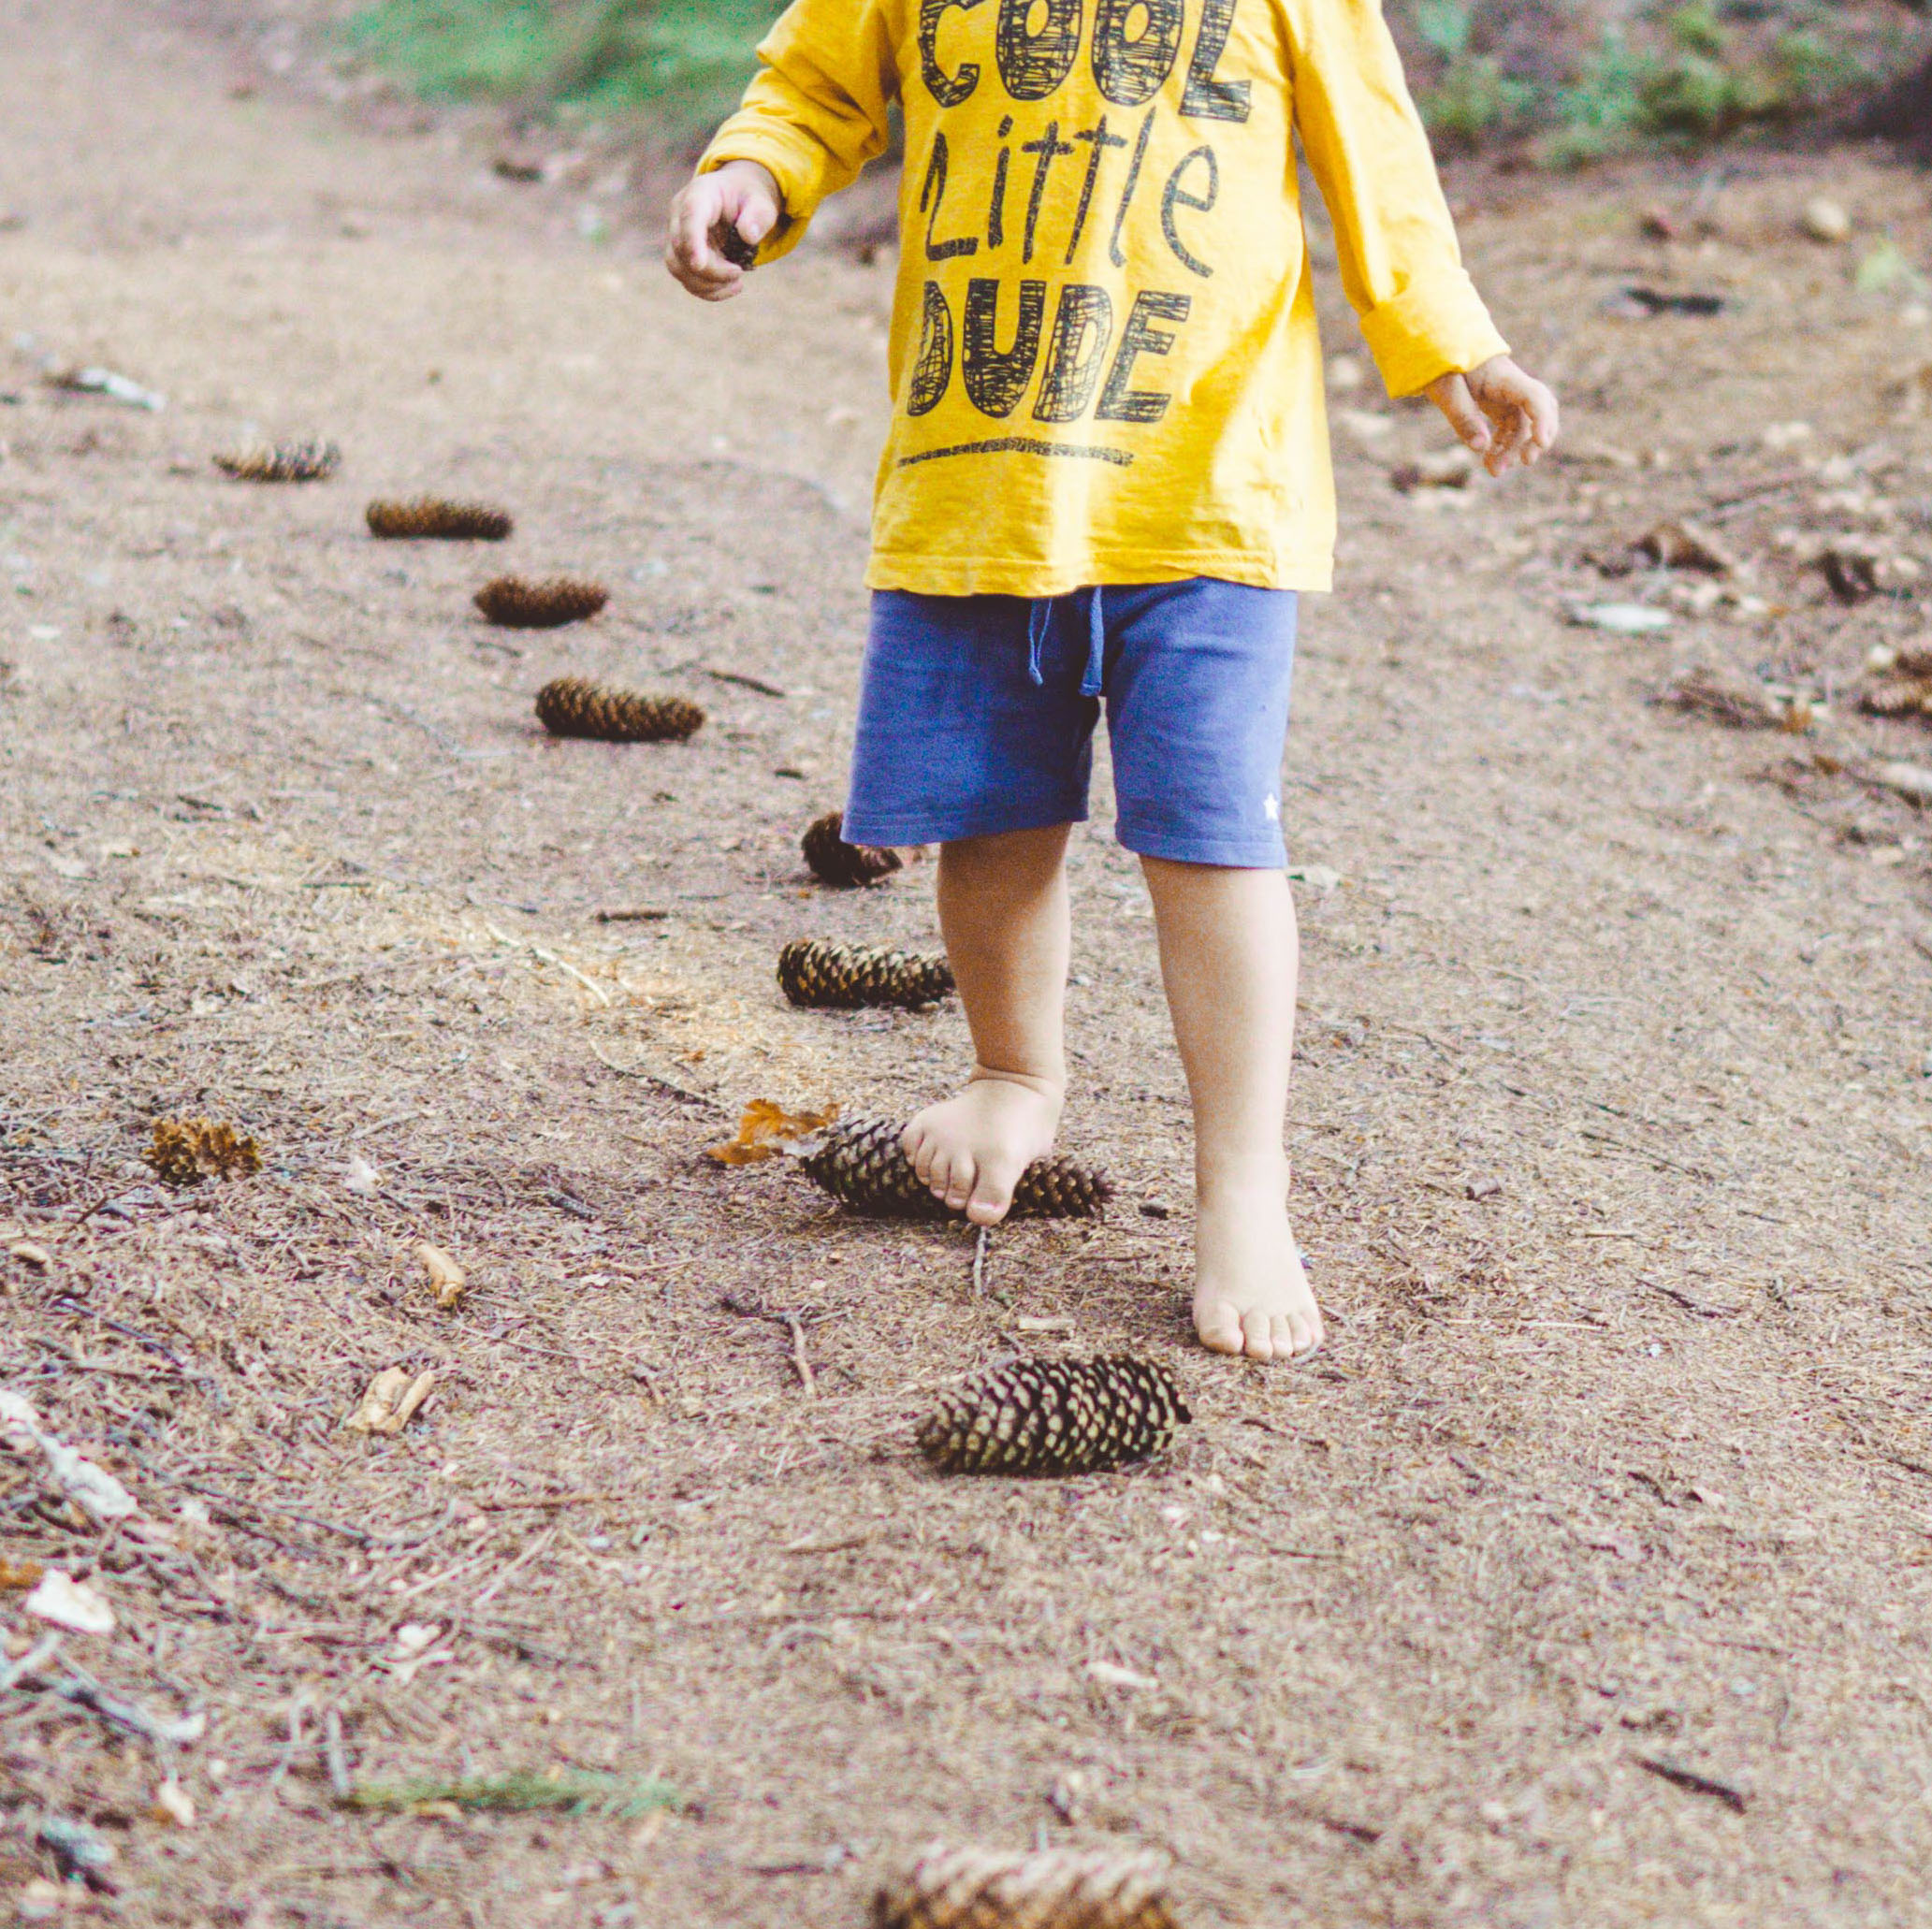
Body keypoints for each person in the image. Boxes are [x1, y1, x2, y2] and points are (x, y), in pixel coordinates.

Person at [667, 0, 1557, 1362]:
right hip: (983, 476)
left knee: (1211, 842)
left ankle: (1243, 1192)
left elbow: (1373, 151)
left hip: (1209, 493)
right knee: (991, 814)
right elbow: (817, 86)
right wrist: (757, 172)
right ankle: (1013, 1073)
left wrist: (1451, 342)